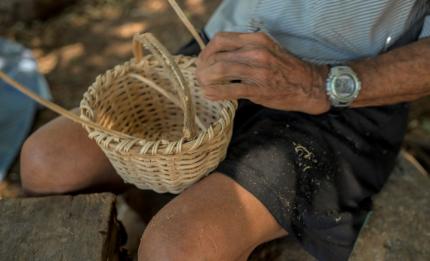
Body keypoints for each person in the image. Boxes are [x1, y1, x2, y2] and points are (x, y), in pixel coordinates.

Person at [20, 0, 430, 260]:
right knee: (46, 162)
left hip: (344, 86)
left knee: (175, 247)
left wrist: (316, 83)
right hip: (229, 45)